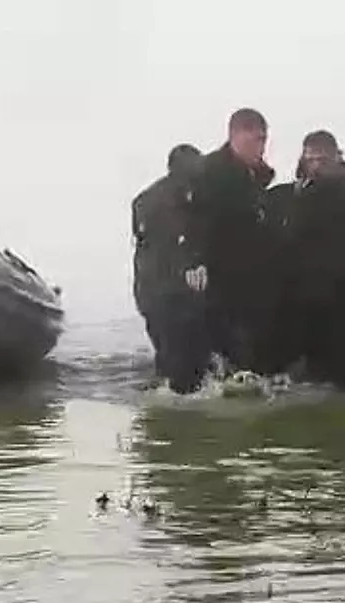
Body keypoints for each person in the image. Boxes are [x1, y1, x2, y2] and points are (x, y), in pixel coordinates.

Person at [182, 108, 279, 379]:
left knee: (251, 341)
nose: (259, 147)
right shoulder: (209, 171)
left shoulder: (256, 173)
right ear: (233, 136)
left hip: (251, 270)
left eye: (263, 140)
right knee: (227, 339)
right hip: (217, 269)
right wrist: (194, 260)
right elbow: (192, 218)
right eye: (253, 140)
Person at [278, 130, 345, 391]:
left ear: (335, 159)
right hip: (303, 293)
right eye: (312, 159)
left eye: (323, 160)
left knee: (343, 373)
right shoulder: (293, 194)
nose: (317, 166)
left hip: (342, 291)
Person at [132, 143, 210, 394]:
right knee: (186, 364)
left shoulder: (144, 199)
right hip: (170, 288)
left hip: (147, 287)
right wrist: (191, 264)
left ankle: (165, 413)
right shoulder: (182, 198)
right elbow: (179, 236)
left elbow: (143, 241)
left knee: (167, 354)